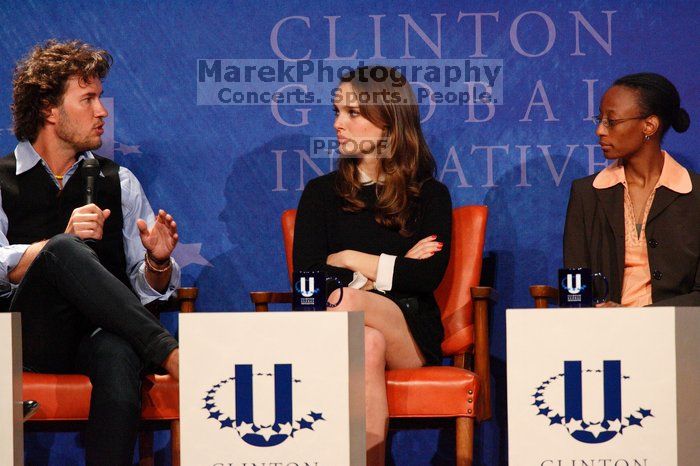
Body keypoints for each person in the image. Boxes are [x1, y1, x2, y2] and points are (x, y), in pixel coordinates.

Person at [2, 39, 182, 464]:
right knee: (63, 249)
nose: (103, 111)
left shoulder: (119, 180)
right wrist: (50, 249)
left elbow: (145, 287)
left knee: (120, 356)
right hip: (27, 335)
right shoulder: (2, 179)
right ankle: (169, 353)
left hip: (100, 333)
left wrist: (157, 262)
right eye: (88, 99)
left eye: (100, 98)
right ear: (48, 108)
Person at [293, 66, 452, 465]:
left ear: (388, 123)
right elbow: (307, 283)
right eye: (337, 112)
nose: (337, 124)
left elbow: (426, 276)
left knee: (345, 300)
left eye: (352, 114)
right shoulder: (320, 194)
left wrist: (346, 261)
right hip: (342, 334)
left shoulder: (429, 195)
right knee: (366, 341)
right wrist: (392, 269)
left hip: (411, 333)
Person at [564, 72, 698, 306]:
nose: (600, 130)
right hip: (604, 334)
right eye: (600, 119)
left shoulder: (695, 195)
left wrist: (642, 319)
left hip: (678, 333)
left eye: (611, 121)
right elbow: (575, 289)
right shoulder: (586, 193)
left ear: (649, 125)